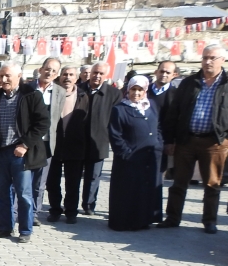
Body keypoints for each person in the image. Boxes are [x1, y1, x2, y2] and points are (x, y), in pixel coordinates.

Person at [157, 45, 228, 234]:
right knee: (179, 182)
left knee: (212, 184)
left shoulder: (226, 83)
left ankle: (209, 221)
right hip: (186, 140)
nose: (207, 62)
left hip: (214, 142)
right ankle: (172, 218)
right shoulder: (189, 83)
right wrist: (170, 140)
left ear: (222, 60)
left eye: (212, 58)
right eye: (205, 58)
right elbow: (174, 112)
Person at [0, 62, 50, 243]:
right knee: (0, 194)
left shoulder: (31, 95)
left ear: (19, 76)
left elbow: (43, 123)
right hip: (0, 153)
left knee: (24, 195)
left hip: (21, 153)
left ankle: (25, 230)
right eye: (0, 76)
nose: (3, 79)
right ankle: (4, 228)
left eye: (7, 76)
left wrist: (25, 145)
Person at [107, 76, 163, 231]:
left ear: (145, 91)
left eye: (140, 90)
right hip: (129, 159)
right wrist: (127, 153)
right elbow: (115, 135)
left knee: (145, 191)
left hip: (150, 157)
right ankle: (125, 223)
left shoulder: (151, 105)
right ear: (128, 90)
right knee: (128, 192)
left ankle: (143, 221)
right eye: (133, 89)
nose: (136, 93)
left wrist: (159, 143)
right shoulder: (119, 109)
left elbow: (158, 126)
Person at [46, 66, 90, 224]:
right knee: (52, 182)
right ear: (60, 76)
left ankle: (71, 211)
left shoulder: (83, 96)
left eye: (71, 75)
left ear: (76, 78)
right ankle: (55, 210)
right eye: (65, 74)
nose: (68, 77)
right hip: (54, 145)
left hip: (75, 145)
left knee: (73, 182)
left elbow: (86, 122)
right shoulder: (53, 94)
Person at [24, 58, 65, 223]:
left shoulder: (60, 92)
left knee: (40, 182)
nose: (49, 73)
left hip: (47, 143)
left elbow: (56, 119)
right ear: (41, 69)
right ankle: (19, 211)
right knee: (23, 179)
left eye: (54, 71)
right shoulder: (26, 88)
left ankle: (34, 213)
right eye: (47, 69)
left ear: (57, 74)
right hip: (27, 140)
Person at [80, 62, 122, 216]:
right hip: (77, 140)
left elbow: (116, 120)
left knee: (93, 176)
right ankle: (69, 205)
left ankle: (89, 204)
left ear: (106, 76)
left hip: (99, 141)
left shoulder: (114, 94)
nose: (97, 76)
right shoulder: (78, 89)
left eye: (101, 73)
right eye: (95, 72)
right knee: (73, 176)